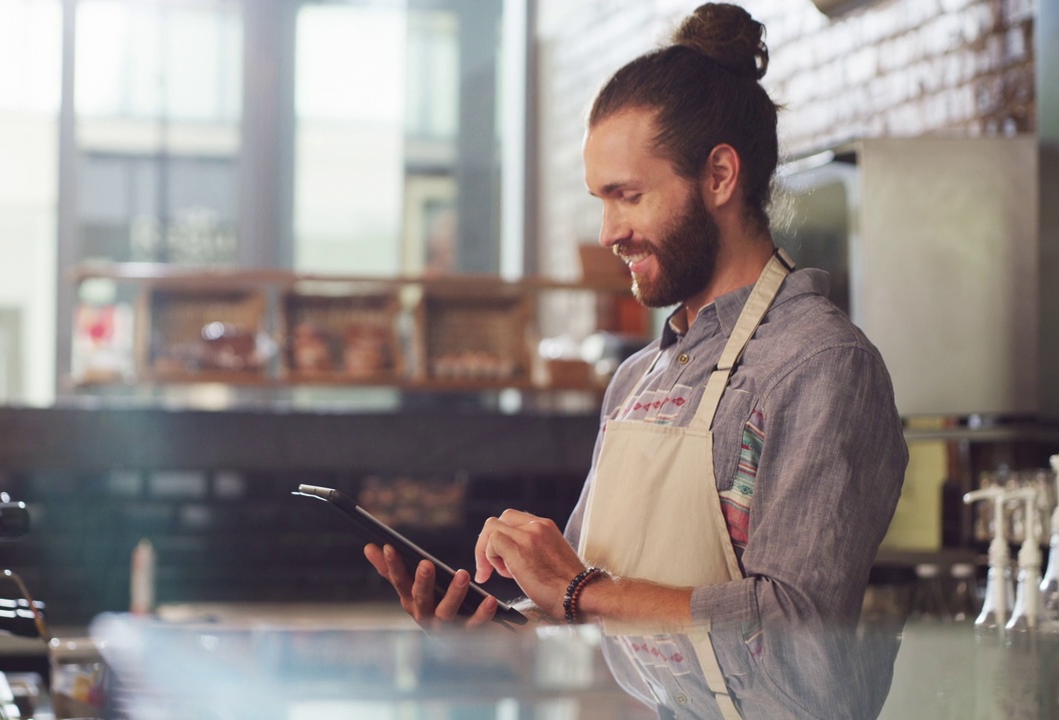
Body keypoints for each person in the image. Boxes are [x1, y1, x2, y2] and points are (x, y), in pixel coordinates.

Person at [365, 4, 908, 719]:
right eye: (602, 200)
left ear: (718, 176)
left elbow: (800, 635)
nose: (609, 232)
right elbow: (585, 621)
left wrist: (578, 590)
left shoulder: (822, 365)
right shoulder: (637, 378)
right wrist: (492, 626)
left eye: (628, 196)